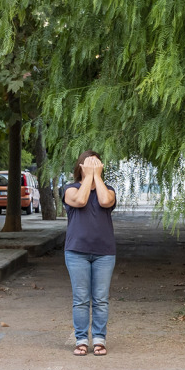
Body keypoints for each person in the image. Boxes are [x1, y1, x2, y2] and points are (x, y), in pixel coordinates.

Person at [64, 151, 117, 356]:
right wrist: (87, 177)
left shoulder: (109, 190)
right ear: (81, 167)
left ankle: (99, 339)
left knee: (101, 298)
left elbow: (105, 201)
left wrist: (97, 177)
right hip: (77, 252)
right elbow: (80, 201)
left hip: (104, 253)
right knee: (81, 299)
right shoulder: (70, 189)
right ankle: (81, 340)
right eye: (89, 165)